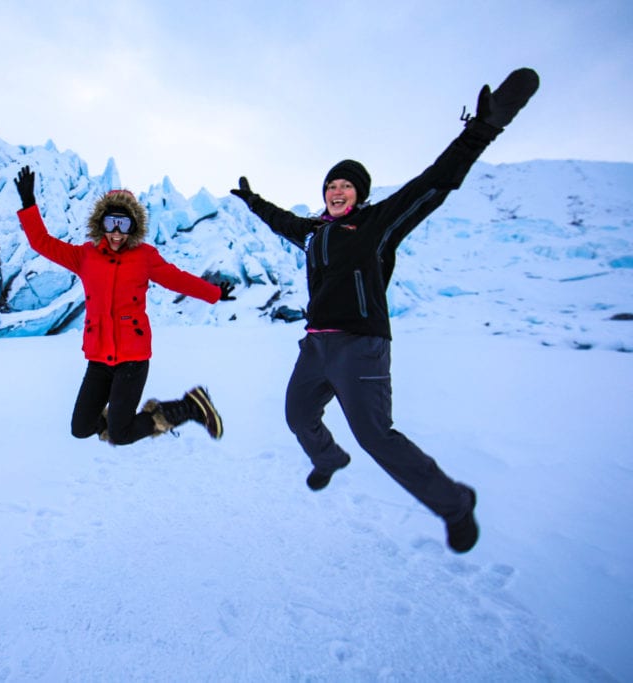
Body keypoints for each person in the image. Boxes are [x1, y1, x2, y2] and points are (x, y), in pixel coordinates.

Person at [229, 68, 540, 553]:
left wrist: (479, 131)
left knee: (376, 436)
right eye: (331, 184)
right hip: (316, 346)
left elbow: (433, 182)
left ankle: (455, 503)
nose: (337, 190)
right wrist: (253, 202)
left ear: (361, 194)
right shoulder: (313, 233)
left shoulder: (378, 224)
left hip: (361, 347)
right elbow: (281, 221)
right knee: (297, 415)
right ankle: (329, 459)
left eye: (346, 185)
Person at [14, 165, 231, 444]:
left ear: (134, 227)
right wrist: (29, 205)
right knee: (81, 428)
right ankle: (121, 420)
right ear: (101, 224)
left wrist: (214, 292)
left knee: (120, 434)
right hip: (99, 357)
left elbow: (178, 280)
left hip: (133, 358)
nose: (117, 232)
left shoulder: (144, 256)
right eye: (110, 224)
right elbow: (43, 243)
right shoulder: (85, 256)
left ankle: (189, 406)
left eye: (124, 225)